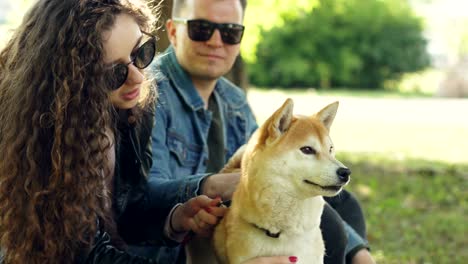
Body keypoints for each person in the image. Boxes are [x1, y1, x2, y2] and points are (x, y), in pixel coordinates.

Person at [0, 1, 296, 263]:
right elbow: (89, 253)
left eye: (141, 53)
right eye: (113, 73)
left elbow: (126, 212)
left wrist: (175, 219)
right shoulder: (48, 141)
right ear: (72, 80)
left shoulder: (126, 114)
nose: (138, 77)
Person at [148, 0, 376, 263]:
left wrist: (358, 252)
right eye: (201, 29)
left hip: (245, 216)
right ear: (174, 31)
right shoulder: (149, 95)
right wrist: (211, 186)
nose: (215, 41)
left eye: (230, 32)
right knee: (332, 227)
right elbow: (143, 195)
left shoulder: (234, 100)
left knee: (344, 201)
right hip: (188, 243)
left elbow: (270, 161)